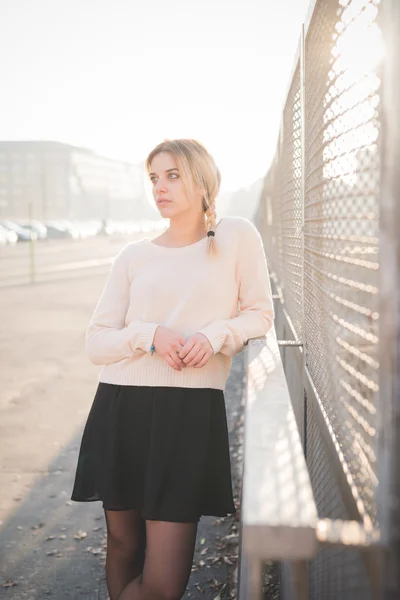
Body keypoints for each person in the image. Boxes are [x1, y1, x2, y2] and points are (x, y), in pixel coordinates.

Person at [71, 138, 274, 600]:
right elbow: (96, 343)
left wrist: (215, 335)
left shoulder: (236, 236)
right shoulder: (133, 256)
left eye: (173, 175)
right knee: (124, 546)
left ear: (203, 180)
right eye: (154, 178)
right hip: (122, 407)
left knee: (163, 584)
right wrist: (150, 335)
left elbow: (260, 314)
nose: (160, 187)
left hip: (188, 415)